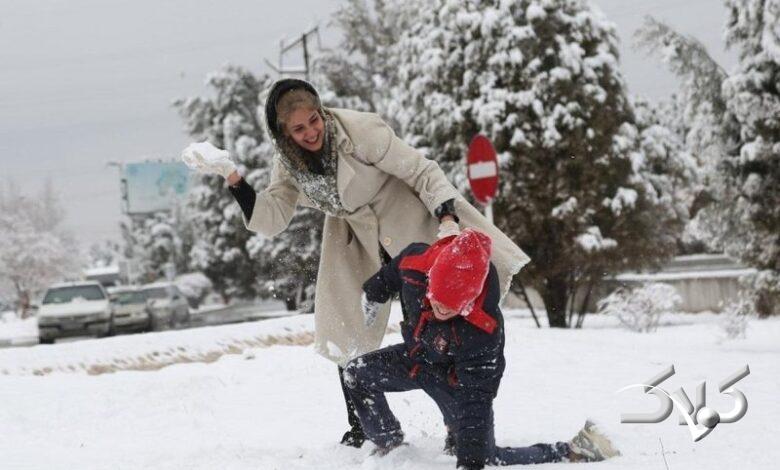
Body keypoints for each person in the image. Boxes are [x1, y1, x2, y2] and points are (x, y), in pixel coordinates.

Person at [180, 79, 530, 447]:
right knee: (346, 332)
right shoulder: (288, 164)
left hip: (409, 223)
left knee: (433, 331)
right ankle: (368, 428)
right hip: (355, 237)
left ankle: (458, 426)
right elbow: (272, 218)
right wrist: (232, 177)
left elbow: (421, 170)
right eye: (298, 128)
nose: (311, 131)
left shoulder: (361, 131)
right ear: (283, 134)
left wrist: (446, 219)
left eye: (314, 120)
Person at [346, 229, 620, 469]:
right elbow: (391, 274)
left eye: (450, 306)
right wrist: (373, 294)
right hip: (416, 358)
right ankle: (389, 444)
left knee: (482, 454)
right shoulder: (417, 260)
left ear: (469, 300)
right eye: (437, 299)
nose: (440, 308)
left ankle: (571, 450)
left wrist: (469, 462)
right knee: (356, 374)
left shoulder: (483, 330)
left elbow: (475, 398)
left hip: (456, 383)